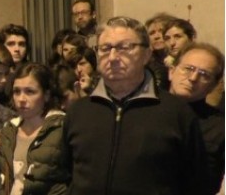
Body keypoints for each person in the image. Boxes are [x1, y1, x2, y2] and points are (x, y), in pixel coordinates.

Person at [62, 16, 207, 195]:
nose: (113, 57)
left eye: (125, 48)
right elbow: (66, 174)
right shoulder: (79, 111)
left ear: (146, 55)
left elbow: (196, 182)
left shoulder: (176, 112)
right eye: (105, 49)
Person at [0, 63, 69, 195]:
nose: (21, 99)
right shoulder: (9, 131)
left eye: (30, 92)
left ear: (46, 95)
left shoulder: (61, 127)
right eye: (16, 91)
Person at [168, 43, 225, 194]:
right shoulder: (144, 113)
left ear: (213, 86)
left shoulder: (219, 128)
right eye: (188, 69)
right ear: (171, 71)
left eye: (204, 75)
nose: (193, 78)